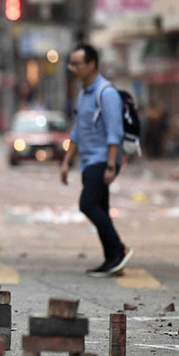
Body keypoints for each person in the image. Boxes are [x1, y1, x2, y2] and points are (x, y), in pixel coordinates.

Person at [60, 44, 133, 277]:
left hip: (103, 160)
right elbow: (77, 132)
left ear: (92, 64)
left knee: (87, 205)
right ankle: (112, 259)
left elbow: (115, 132)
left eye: (77, 63)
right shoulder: (83, 94)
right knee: (99, 207)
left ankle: (118, 250)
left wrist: (112, 165)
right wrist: (66, 161)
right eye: (71, 64)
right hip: (89, 161)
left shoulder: (106, 93)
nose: (73, 68)